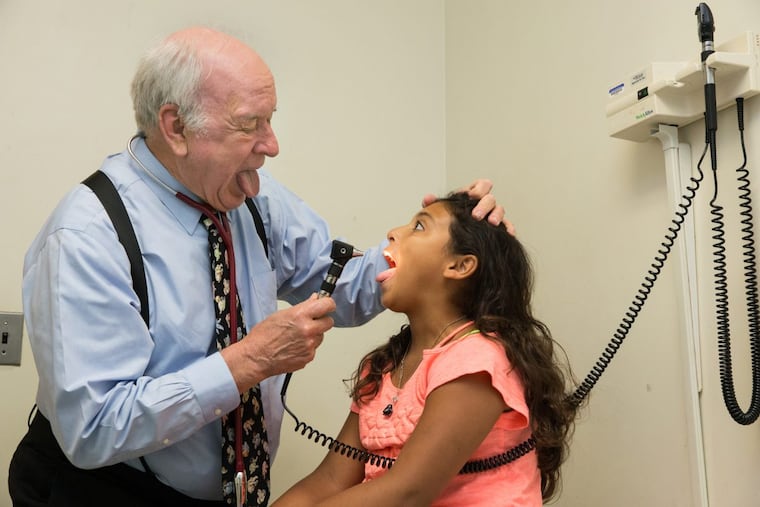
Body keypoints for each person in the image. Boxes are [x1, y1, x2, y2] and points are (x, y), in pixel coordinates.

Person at [7, 26, 509, 507]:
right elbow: (93, 429)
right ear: (175, 127)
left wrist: (457, 235)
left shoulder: (251, 199)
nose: (271, 145)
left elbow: (347, 286)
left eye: (271, 120)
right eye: (250, 124)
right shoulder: (85, 237)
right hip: (100, 491)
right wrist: (248, 362)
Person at [271, 192, 577, 507]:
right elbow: (329, 481)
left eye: (419, 227)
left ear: (460, 265)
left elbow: (407, 492)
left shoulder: (476, 360)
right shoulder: (384, 368)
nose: (393, 232)